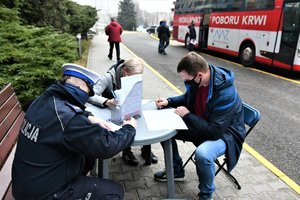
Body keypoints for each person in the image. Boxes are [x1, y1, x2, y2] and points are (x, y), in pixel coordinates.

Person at [12, 63, 137, 200]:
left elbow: (68, 108)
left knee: (87, 156)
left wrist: (88, 116)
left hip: (27, 183)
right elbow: (106, 145)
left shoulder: (42, 100)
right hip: (45, 194)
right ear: (79, 87)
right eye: (88, 92)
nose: (88, 96)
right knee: (113, 191)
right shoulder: (70, 120)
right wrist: (129, 128)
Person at [153, 52, 246, 200]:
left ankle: (206, 195)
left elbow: (214, 132)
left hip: (225, 133)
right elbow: (187, 97)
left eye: (188, 81)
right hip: (203, 123)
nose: (186, 83)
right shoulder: (198, 82)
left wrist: (187, 115)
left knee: (203, 154)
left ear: (199, 75)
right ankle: (176, 170)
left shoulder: (225, 93)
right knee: (165, 130)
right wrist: (169, 102)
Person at [89, 58, 158, 166]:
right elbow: (91, 94)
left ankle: (146, 149)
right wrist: (106, 101)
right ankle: (127, 151)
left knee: (143, 120)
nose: (136, 79)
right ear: (125, 70)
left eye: (138, 76)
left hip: (129, 108)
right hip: (113, 112)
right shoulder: (108, 77)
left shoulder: (133, 76)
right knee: (126, 125)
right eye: (133, 76)